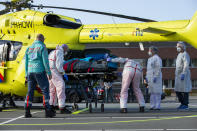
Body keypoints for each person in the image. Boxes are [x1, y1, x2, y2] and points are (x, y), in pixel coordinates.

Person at [25, 34, 55, 118]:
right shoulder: (42, 47)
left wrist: (26, 74)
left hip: (30, 72)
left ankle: (27, 110)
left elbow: (26, 62)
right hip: (39, 71)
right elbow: (45, 62)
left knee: (30, 91)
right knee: (45, 90)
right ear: (42, 39)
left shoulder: (29, 48)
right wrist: (49, 73)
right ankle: (47, 110)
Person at [48, 44, 71, 114]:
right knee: (61, 87)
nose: (66, 52)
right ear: (64, 49)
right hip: (55, 71)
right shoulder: (60, 52)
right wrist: (63, 73)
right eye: (66, 50)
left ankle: (51, 105)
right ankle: (62, 107)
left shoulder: (53, 52)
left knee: (52, 89)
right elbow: (59, 65)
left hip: (49, 71)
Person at [175, 41, 192, 110]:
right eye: (177, 46)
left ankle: (185, 104)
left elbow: (186, 65)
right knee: (177, 90)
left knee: (185, 90)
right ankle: (182, 103)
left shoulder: (185, 54)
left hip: (184, 75)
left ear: (183, 47)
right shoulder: (179, 55)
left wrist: (183, 74)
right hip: (178, 75)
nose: (178, 48)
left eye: (179, 46)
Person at [146, 46, 162, 110]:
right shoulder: (149, 59)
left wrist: (156, 76)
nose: (149, 51)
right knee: (152, 92)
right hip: (150, 78)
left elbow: (158, 68)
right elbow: (148, 69)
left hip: (156, 78)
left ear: (154, 51)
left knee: (157, 92)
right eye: (149, 50)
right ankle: (152, 106)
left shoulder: (157, 58)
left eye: (150, 50)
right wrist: (147, 77)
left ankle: (157, 106)